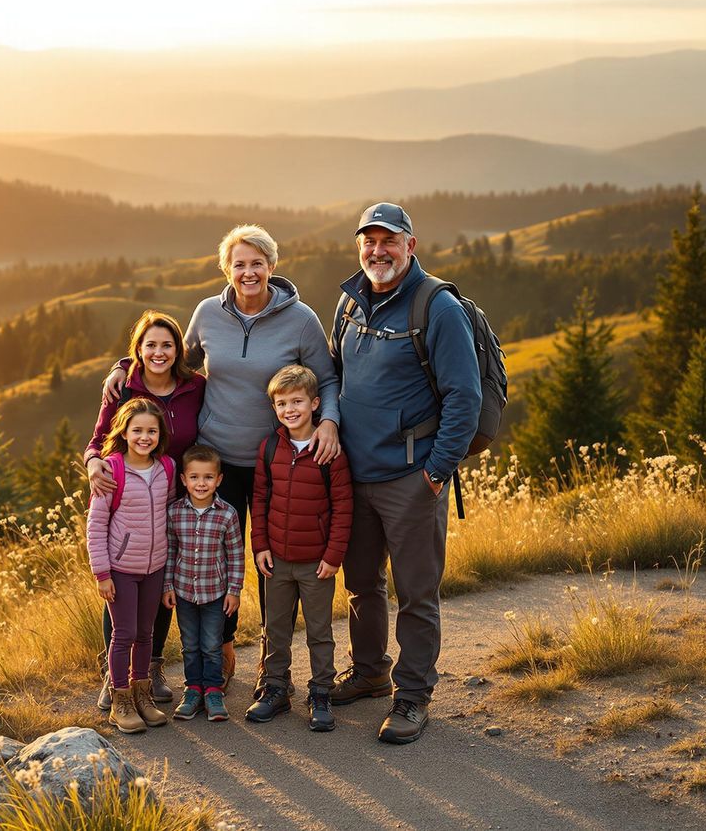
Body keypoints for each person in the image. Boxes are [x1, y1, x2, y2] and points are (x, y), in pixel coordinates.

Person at [104, 225, 341, 697]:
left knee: (271, 561)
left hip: (277, 463)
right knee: (197, 556)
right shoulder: (208, 313)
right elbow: (169, 360)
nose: (248, 272)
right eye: (239, 264)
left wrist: (329, 422)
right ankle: (187, 660)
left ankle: (270, 672)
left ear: (272, 267)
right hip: (212, 465)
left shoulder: (301, 320)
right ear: (226, 269)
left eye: (257, 263)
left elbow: (328, 380)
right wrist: (120, 367)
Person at [327, 203, 481, 744]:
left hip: (412, 478)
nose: (377, 251)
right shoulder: (348, 302)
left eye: (388, 241)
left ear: (410, 245)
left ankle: (412, 696)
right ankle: (371, 672)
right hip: (355, 476)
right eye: (368, 241)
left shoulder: (435, 306)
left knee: (417, 594)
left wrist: (437, 472)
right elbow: (334, 376)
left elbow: (465, 395)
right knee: (362, 584)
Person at [85, 310, 205, 709]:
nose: (159, 352)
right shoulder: (123, 389)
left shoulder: (195, 386)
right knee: (122, 587)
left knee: (158, 581)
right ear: (137, 349)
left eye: (167, 345)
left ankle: (149, 668)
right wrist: (92, 464)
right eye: (150, 345)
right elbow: (99, 439)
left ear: (178, 350)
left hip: (174, 493)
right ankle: (113, 675)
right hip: (128, 493)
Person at [244, 365, 352, 731]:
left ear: (315, 403)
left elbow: (343, 507)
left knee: (320, 632)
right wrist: (260, 545)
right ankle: (275, 689)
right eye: (281, 403)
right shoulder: (270, 447)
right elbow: (259, 499)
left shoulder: (330, 451)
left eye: (297, 401)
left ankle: (321, 692)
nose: (290, 409)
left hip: (316, 563)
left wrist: (333, 556)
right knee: (276, 629)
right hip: (277, 560)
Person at [86, 397, 176, 734]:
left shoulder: (167, 467)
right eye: (137, 430)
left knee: (145, 634)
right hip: (121, 569)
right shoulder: (112, 469)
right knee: (123, 635)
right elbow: (95, 526)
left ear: (159, 434)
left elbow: (165, 517)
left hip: (154, 567)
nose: (144, 437)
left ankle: (142, 695)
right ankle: (120, 700)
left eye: (151, 431)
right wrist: (102, 574)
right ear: (124, 432)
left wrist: (167, 577)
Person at [162, 444, 243, 723]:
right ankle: (193, 690)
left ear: (218, 479)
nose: (201, 483)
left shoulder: (227, 514)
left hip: (215, 594)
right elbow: (170, 551)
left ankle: (213, 691)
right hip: (183, 592)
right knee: (190, 644)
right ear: (183, 479)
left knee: (211, 643)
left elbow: (235, 555)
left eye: (208, 477)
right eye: (194, 477)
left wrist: (234, 591)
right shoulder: (174, 513)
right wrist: (167, 586)